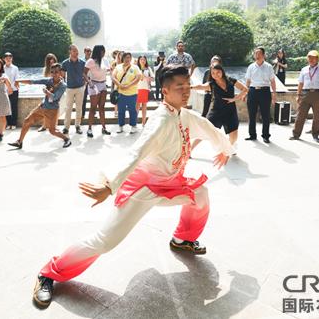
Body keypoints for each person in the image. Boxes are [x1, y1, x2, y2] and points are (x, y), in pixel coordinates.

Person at [32, 64, 234, 309]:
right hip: (144, 190)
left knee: (201, 194)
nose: (186, 91)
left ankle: (182, 239)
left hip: (171, 184)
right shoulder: (159, 121)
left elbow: (208, 128)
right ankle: (48, 274)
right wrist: (110, 185)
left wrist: (225, 149)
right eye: (179, 86)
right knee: (105, 241)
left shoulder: (184, 114)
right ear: (165, 90)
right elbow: (135, 153)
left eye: (188, 85)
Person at [8, 63, 71, 149]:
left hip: (52, 111)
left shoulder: (63, 85)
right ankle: (19, 142)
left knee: (52, 131)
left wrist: (46, 92)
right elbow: (33, 81)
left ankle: (66, 139)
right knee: (27, 121)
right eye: (52, 72)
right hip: (42, 107)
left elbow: (55, 97)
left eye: (56, 72)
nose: (54, 74)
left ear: (60, 72)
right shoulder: (49, 81)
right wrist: (18, 81)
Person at [191, 63, 248, 150]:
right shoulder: (211, 84)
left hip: (230, 111)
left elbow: (245, 89)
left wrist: (234, 98)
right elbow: (200, 86)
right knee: (205, 131)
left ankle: (228, 149)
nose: (215, 75)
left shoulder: (231, 80)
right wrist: (189, 87)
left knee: (234, 136)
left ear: (222, 71)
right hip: (216, 111)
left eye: (218, 72)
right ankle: (189, 150)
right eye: (213, 73)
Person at [290, 50, 319, 143]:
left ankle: (315, 135)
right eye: (309, 58)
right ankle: (296, 134)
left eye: (313, 58)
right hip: (305, 94)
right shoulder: (304, 69)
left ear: (317, 59)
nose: (311, 60)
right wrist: (298, 94)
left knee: (317, 116)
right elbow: (300, 83)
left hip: (318, 94)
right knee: (300, 115)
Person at [244, 47, 277, 143]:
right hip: (253, 91)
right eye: (255, 54)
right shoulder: (251, 67)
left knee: (265, 115)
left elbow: (272, 81)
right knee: (252, 114)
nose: (257, 56)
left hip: (265, 92)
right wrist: (245, 93)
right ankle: (252, 135)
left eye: (259, 54)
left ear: (263, 55)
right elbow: (248, 81)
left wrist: (274, 94)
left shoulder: (269, 67)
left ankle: (266, 136)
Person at [84, 45, 112, 137]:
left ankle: (104, 128)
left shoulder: (104, 60)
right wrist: (89, 82)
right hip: (94, 85)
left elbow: (104, 70)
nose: (104, 53)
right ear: (98, 51)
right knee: (93, 108)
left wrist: (109, 70)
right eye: (103, 51)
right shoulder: (91, 61)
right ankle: (89, 129)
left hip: (103, 85)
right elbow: (83, 73)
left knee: (102, 108)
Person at [113, 52, 142, 134]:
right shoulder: (118, 67)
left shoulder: (135, 67)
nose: (127, 59)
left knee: (132, 110)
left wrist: (128, 85)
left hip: (132, 93)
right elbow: (113, 76)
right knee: (121, 110)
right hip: (120, 93)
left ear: (131, 58)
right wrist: (119, 85)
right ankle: (120, 126)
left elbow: (138, 77)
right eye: (125, 57)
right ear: (123, 58)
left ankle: (133, 126)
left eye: (129, 57)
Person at [62, 45, 86, 135]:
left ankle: (77, 126)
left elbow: (84, 74)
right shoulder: (65, 63)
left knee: (79, 108)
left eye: (77, 51)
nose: (76, 52)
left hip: (80, 88)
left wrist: (85, 83)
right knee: (68, 108)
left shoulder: (82, 63)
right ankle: (66, 127)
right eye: (74, 51)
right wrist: (64, 86)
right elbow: (63, 76)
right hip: (69, 89)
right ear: (70, 52)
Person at [38, 53, 59, 132]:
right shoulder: (45, 69)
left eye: (52, 59)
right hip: (48, 91)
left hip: (56, 91)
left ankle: (55, 126)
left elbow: (61, 80)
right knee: (45, 109)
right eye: (49, 60)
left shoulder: (58, 68)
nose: (51, 61)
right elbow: (45, 81)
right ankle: (44, 125)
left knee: (56, 109)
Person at [3, 52, 20, 130]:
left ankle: (13, 123)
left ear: (12, 59)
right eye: (7, 58)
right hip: (4, 91)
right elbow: (2, 79)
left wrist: (11, 88)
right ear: (4, 59)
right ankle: (8, 123)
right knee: (6, 107)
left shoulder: (15, 68)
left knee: (14, 107)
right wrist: (7, 88)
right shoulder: (2, 68)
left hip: (14, 90)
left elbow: (17, 79)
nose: (8, 59)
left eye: (10, 58)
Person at [136, 55, 154, 126]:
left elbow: (152, 79)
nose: (142, 61)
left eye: (144, 59)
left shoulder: (148, 69)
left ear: (146, 61)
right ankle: (135, 122)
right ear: (139, 60)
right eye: (141, 59)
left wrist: (145, 77)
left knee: (144, 106)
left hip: (145, 88)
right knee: (137, 106)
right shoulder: (136, 68)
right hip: (137, 89)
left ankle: (143, 122)